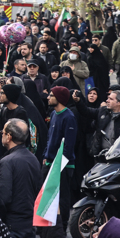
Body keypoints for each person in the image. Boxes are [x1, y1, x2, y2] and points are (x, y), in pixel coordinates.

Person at [45, 86, 78, 223]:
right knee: (48, 196)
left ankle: (63, 226)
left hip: (63, 165)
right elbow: (50, 138)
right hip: (49, 162)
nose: (48, 97)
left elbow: (69, 145)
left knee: (62, 197)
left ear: (59, 99)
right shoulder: (53, 114)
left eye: (51, 95)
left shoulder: (69, 117)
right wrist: (45, 156)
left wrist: (60, 165)